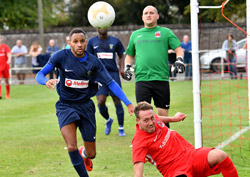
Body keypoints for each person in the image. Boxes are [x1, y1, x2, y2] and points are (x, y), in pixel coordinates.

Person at [35, 28, 134, 177]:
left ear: (86, 42)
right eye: (75, 42)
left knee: (91, 153)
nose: (79, 44)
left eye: (82, 41)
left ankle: (85, 154)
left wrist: (128, 103)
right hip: (66, 106)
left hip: (86, 107)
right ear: (70, 43)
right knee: (71, 146)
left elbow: (111, 82)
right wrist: (45, 81)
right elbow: (40, 73)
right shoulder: (60, 56)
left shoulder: (94, 62)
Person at [132, 101, 239, 177]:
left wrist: (173, 119)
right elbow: (138, 173)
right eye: (146, 120)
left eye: (152, 118)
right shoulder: (139, 142)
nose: (151, 122)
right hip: (174, 169)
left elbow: (157, 118)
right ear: (138, 121)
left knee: (220, 155)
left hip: (190, 154)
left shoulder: (152, 118)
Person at [124, 5, 185, 128]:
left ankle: (165, 144)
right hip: (142, 80)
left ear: (157, 16)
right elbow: (129, 55)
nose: (148, 15)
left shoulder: (165, 32)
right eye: (145, 13)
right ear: (142, 17)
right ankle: (145, 145)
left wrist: (179, 60)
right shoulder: (135, 35)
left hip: (161, 78)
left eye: (151, 13)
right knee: (143, 116)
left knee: (163, 116)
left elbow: (178, 49)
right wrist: (127, 67)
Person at [87, 28, 126, 136]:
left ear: (108, 26)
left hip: (113, 74)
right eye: (100, 26)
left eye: (104, 26)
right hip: (99, 75)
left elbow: (121, 55)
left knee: (117, 100)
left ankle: (121, 128)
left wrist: (122, 68)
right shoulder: (91, 42)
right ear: (96, 27)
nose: (102, 29)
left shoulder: (115, 40)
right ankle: (108, 120)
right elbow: (88, 58)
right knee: (100, 101)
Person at [0, 35, 11, 99]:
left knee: (6, 80)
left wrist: (9, 59)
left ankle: (7, 94)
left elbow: (9, 53)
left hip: (5, 66)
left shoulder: (5, 46)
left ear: (1, 39)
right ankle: (0, 94)